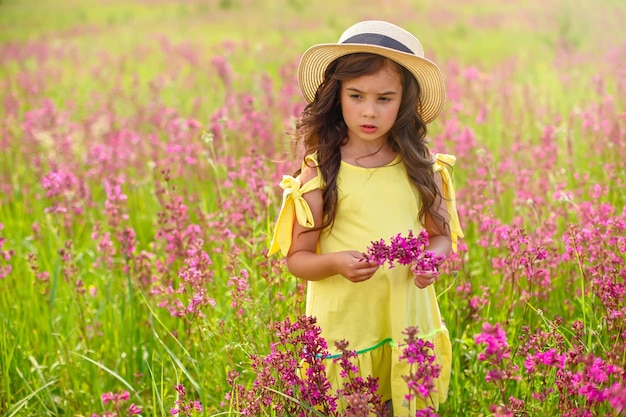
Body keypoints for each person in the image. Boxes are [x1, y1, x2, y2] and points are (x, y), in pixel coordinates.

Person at [268, 20, 463, 416]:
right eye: (356, 95)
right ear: (336, 95)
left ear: (405, 101)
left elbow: (440, 235)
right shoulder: (320, 171)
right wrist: (337, 263)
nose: (369, 111)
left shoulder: (422, 166)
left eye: (385, 98)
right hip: (348, 331)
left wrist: (433, 258)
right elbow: (298, 259)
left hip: (407, 322)